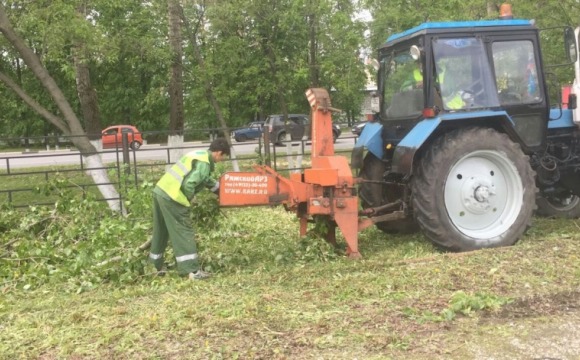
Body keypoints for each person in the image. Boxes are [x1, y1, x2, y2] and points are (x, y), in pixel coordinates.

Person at [149, 138, 231, 280]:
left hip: (161, 191)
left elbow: (204, 179)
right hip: (173, 197)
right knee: (183, 231)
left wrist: (222, 190)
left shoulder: (199, 154)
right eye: (223, 157)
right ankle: (191, 271)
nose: (221, 160)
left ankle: (153, 266)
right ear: (219, 153)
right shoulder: (204, 163)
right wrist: (190, 199)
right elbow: (189, 184)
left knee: (161, 230)